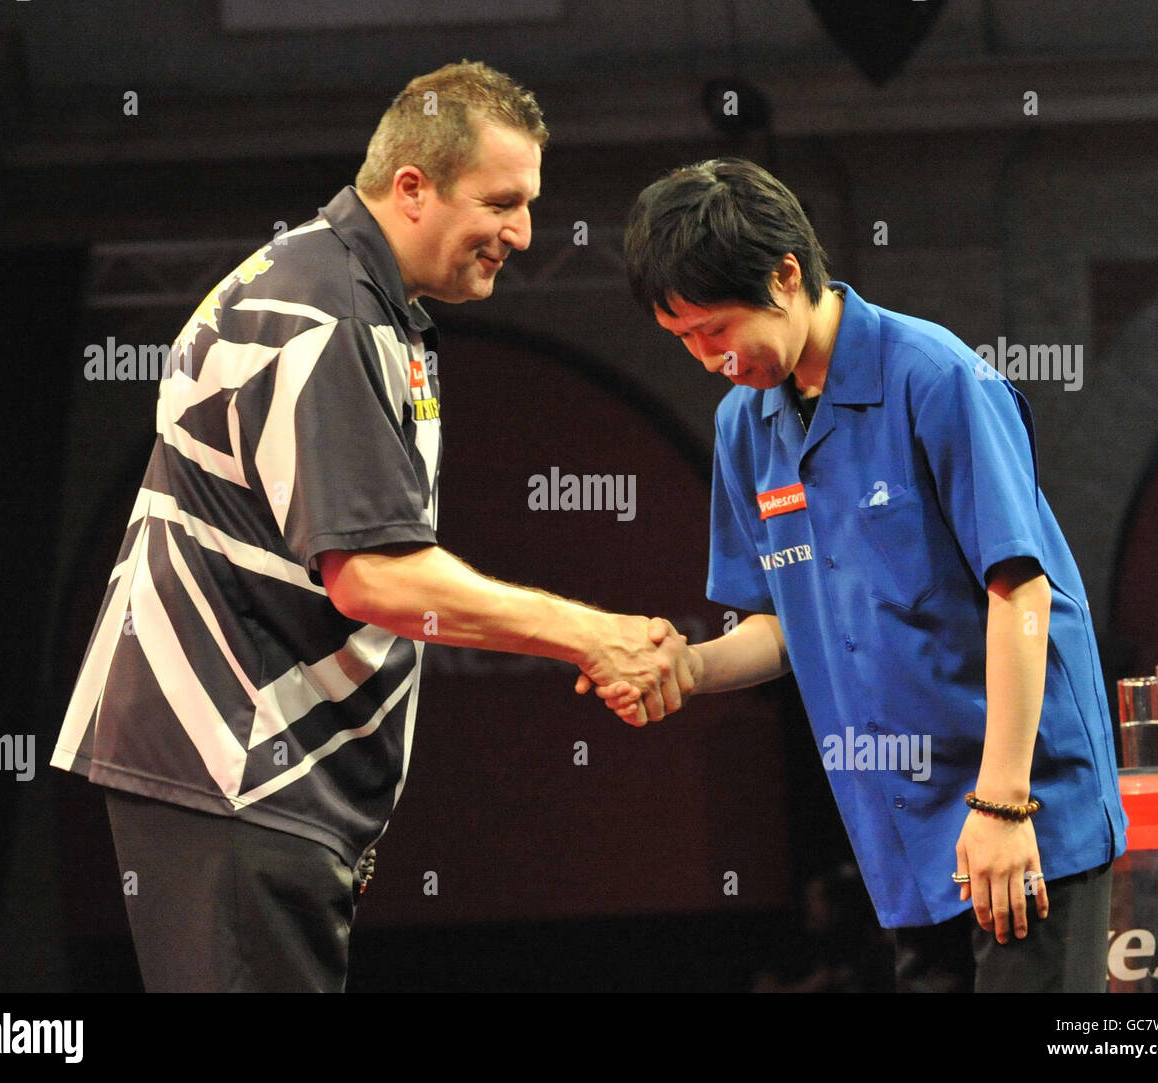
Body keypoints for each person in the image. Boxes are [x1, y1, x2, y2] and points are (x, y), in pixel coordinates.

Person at [50, 61, 690, 993]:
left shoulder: (357, 299)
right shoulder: (328, 315)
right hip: (235, 764)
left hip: (253, 780)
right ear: (412, 188)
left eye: (529, 204)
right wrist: (593, 635)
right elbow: (376, 578)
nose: (522, 232)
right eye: (502, 201)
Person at [599, 157, 1126, 992]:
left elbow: (1021, 593)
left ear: (786, 274)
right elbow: (778, 625)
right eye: (685, 341)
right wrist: (689, 667)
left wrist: (1000, 804)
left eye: (716, 330)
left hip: (1022, 809)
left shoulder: (938, 376)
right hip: (902, 840)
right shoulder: (745, 428)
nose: (708, 360)